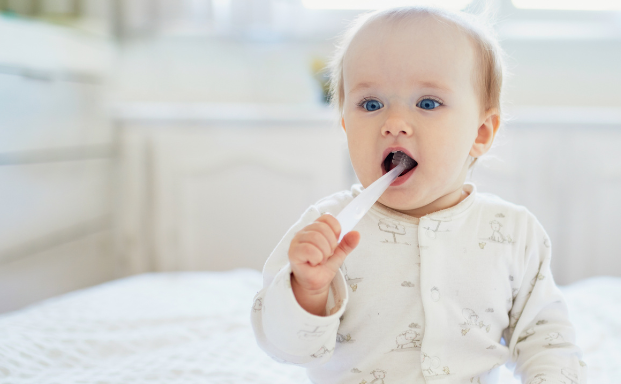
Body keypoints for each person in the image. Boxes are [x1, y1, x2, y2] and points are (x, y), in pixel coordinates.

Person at [251, 6, 586, 383]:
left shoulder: (515, 233)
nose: (393, 123)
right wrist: (307, 291)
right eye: (371, 104)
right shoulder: (326, 231)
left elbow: (546, 339)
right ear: (346, 125)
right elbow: (285, 349)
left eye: (427, 103)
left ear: (480, 133)